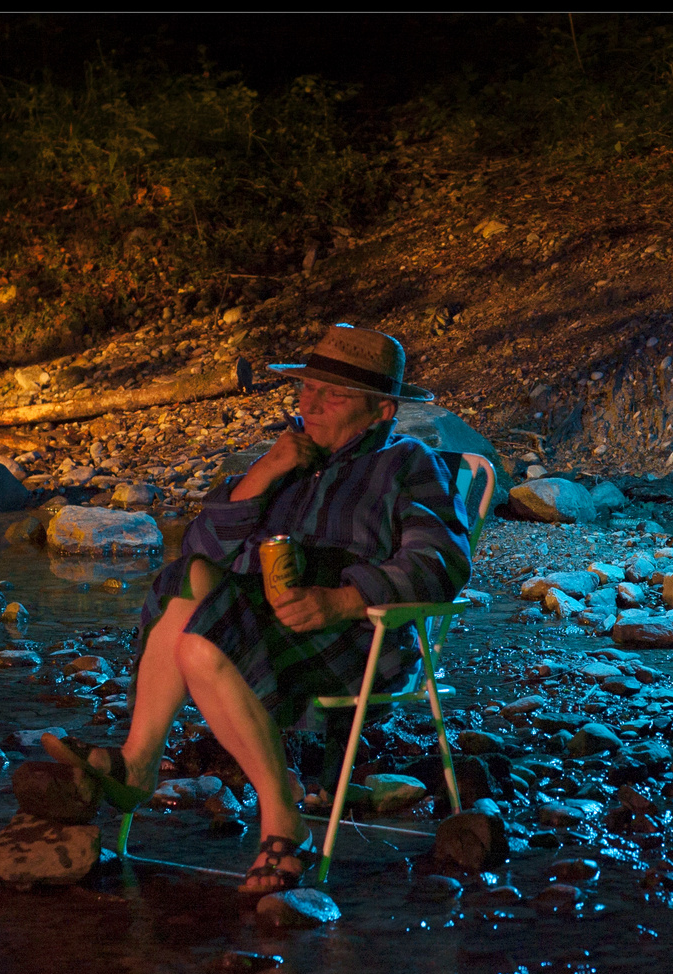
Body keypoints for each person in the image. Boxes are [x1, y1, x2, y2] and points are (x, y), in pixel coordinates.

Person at [46, 324, 472, 894]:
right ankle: (141, 762)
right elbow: (200, 552)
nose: (310, 404)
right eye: (306, 388)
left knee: (198, 639)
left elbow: (441, 561)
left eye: (333, 395)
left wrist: (343, 600)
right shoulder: (287, 455)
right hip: (252, 622)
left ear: (381, 411)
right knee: (186, 583)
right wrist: (266, 472)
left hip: (349, 639)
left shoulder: (408, 464)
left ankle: (276, 816)